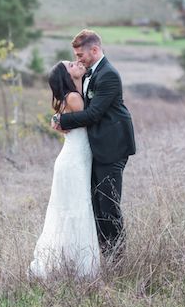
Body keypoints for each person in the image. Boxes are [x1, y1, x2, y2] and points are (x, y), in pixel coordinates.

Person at [52, 29, 136, 262]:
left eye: (81, 54)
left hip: (112, 147)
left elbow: (95, 113)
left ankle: (117, 259)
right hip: (95, 149)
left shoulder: (108, 74)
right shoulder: (90, 74)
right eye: (76, 55)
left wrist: (61, 120)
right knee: (97, 206)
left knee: (108, 206)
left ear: (95, 50)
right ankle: (105, 255)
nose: (78, 59)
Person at [28, 60, 100, 279]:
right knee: (78, 209)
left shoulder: (66, 98)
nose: (75, 62)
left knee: (69, 211)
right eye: (70, 64)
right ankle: (81, 267)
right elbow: (90, 119)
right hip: (75, 160)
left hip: (72, 158)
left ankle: (64, 262)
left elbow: (68, 123)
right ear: (67, 76)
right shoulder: (73, 97)